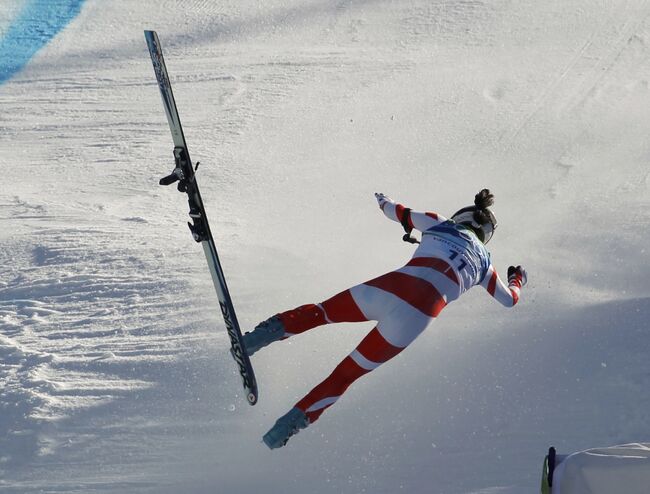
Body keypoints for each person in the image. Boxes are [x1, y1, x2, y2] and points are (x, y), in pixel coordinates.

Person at [244, 189, 527, 449]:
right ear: (485, 235)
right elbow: (510, 299)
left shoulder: (441, 223)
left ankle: (255, 340)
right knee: (344, 376)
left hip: (392, 288)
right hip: (413, 319)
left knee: (321, 313)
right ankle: (284, 430)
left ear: (461, 216)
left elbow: (394, 210)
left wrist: (382, 199)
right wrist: (518, 279)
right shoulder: (485, 265)